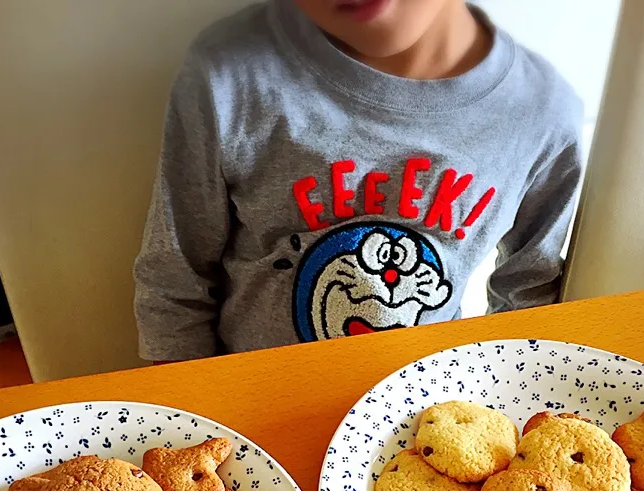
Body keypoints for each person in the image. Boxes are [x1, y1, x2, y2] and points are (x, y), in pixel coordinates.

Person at [135, 0, 582, 361]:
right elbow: (176, 275)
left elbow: (528, 290)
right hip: (253, 404)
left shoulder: (542, 112)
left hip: (421, 411)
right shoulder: (230, 77)